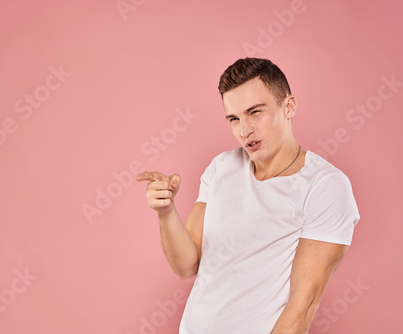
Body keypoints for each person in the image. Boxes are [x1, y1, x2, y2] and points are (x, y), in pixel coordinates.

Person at [135, 57, 360, 333]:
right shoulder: (221, 167)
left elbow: (304, 304)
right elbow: (186, 266)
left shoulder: (324, 185)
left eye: (255, 112)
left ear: (288, 106)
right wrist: (166, 212)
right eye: (234, 118)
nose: (244, 131)